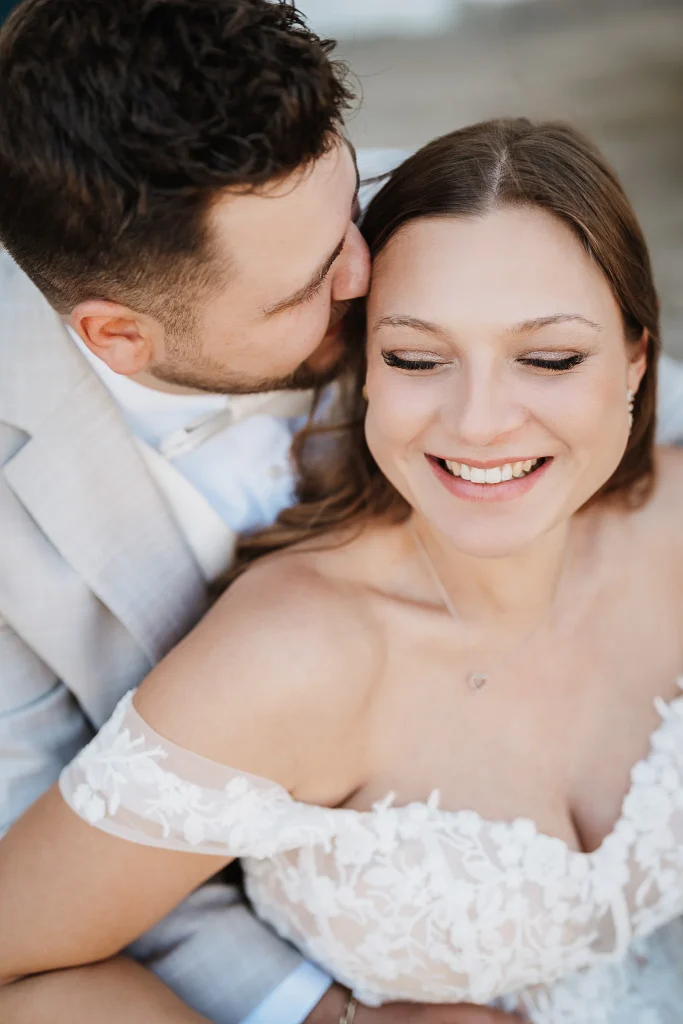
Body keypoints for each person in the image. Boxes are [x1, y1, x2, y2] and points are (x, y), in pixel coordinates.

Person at [4, 116, 683, 1024]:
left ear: (636, 357)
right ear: (361, 368)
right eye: (415, 357)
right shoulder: (293, 652)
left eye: (548, 358)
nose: (479, 421)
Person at [0, 1, 515, 1022]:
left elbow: (635, 414)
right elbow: (40, 852)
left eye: (345, 204)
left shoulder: (418, 219)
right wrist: (319, 1010)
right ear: (118, 335)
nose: (367, 273)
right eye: (302, 290)